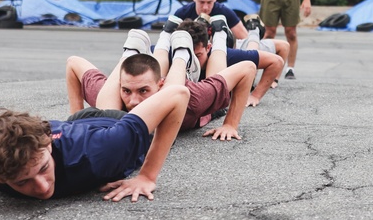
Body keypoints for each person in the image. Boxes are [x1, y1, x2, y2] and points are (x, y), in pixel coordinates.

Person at [0, 73, 189, 202]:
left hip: (109, 123)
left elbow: (177, 95)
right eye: (22, 182)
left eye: (42, 168)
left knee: (173, 110)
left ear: (47, 144)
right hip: (72, 125)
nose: (40, 187)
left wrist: (147, 176)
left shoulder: (103, 151)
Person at [66, 23, 258, 139]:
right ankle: (145, 48)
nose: (133, 102)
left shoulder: (194, 100)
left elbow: (247, 68)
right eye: (126, 91)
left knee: (210, 78)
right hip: (145, 82)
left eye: (143, 91)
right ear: (120, 86)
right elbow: (73, 62)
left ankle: (196, 47)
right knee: (106, 112)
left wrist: (230, 124)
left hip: (182, 91)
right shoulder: (112, 94)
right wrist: (78, 121)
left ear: (161, 85)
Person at [171, 0, 290, 71]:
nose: (206, 7)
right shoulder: (182, 13)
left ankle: (254, 31)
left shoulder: (224, 11)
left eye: (209, 2)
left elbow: (243, 37)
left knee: (281, 45)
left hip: (222, 51)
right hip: (193, 54)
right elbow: (171, 42)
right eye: (201, 2)